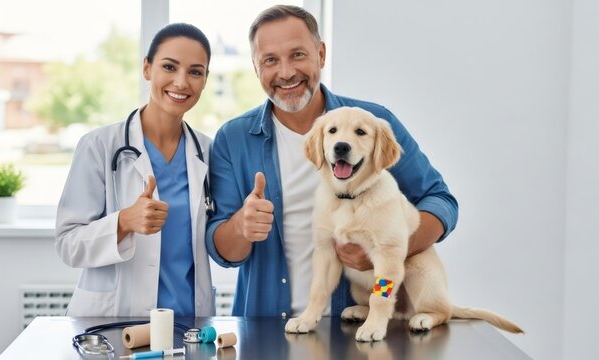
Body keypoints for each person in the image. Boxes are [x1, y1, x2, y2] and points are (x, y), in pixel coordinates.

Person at [205, 5, 458, 318]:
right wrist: (241, 227)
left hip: (359, 329)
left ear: (320, 54)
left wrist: (390, 248)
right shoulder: (233, 139)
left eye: (298, 54)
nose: (285, 72)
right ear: (257, 68)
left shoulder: (374, 125)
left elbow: (440, 201)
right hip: (267, 330)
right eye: (270, 60)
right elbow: (223, 251)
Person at [55, 23, 215, 317]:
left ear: (205, 80)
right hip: (113, 320)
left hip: (186, 319)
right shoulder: (99, 146)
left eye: (195, 71)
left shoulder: (209, 152)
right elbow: (68, 244)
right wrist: (123, 222)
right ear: (147, 69)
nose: (181, 82)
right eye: (169, 67)